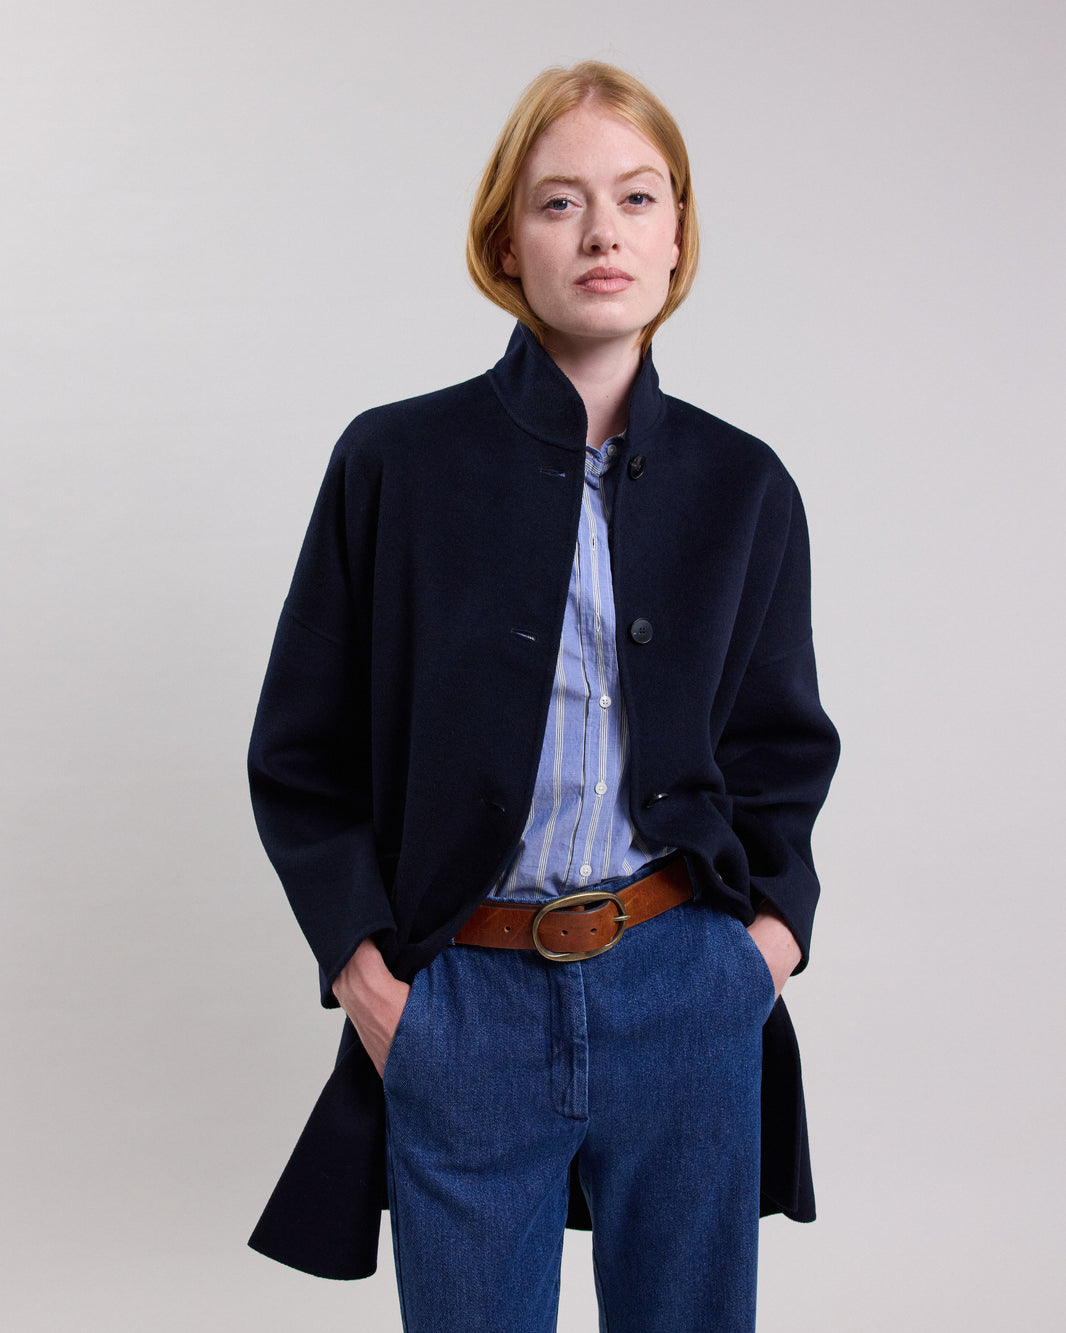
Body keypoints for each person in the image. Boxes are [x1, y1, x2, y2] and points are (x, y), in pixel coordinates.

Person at [247, 60, 839, 1333]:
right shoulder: (393, 462)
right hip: (463, 999)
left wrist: (760, 953)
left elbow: (780, 749)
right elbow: (300, 753)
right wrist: (370, 982)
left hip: (683, 984)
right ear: (506, 241)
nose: (602, 231)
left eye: (636, 197)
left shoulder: (744, 486)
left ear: (676, 235)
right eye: (559, 201)